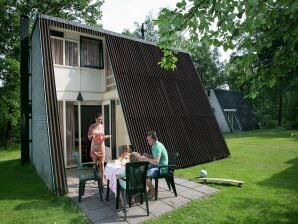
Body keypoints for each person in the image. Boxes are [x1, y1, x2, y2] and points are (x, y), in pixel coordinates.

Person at [140, 131, 168, 199]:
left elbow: (156, 162)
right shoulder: (154, 145)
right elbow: (155, 158)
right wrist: (148, 156)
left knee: (144, 174)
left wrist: (146, 158)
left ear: (154, 139)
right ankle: (150, 187)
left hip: (161, 168)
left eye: (149, 139)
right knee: (141, 169)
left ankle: (153, 190)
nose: (148, 141)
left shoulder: (157, 146)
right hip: (158, 166)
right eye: (147, 139)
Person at [88, 113, 111, 186]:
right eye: (99, 119)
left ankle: (102, 180)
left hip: (101, 147)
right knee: (95, 164)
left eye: (101, 119)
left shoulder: (102, 126)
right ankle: (95, 178)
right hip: (94, 147)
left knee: (101, 163)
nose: (100, 121)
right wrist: (92, 135)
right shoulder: (92, 126)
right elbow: (89, 137)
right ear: (95, 119)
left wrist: (108, 136)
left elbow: (102, 136)